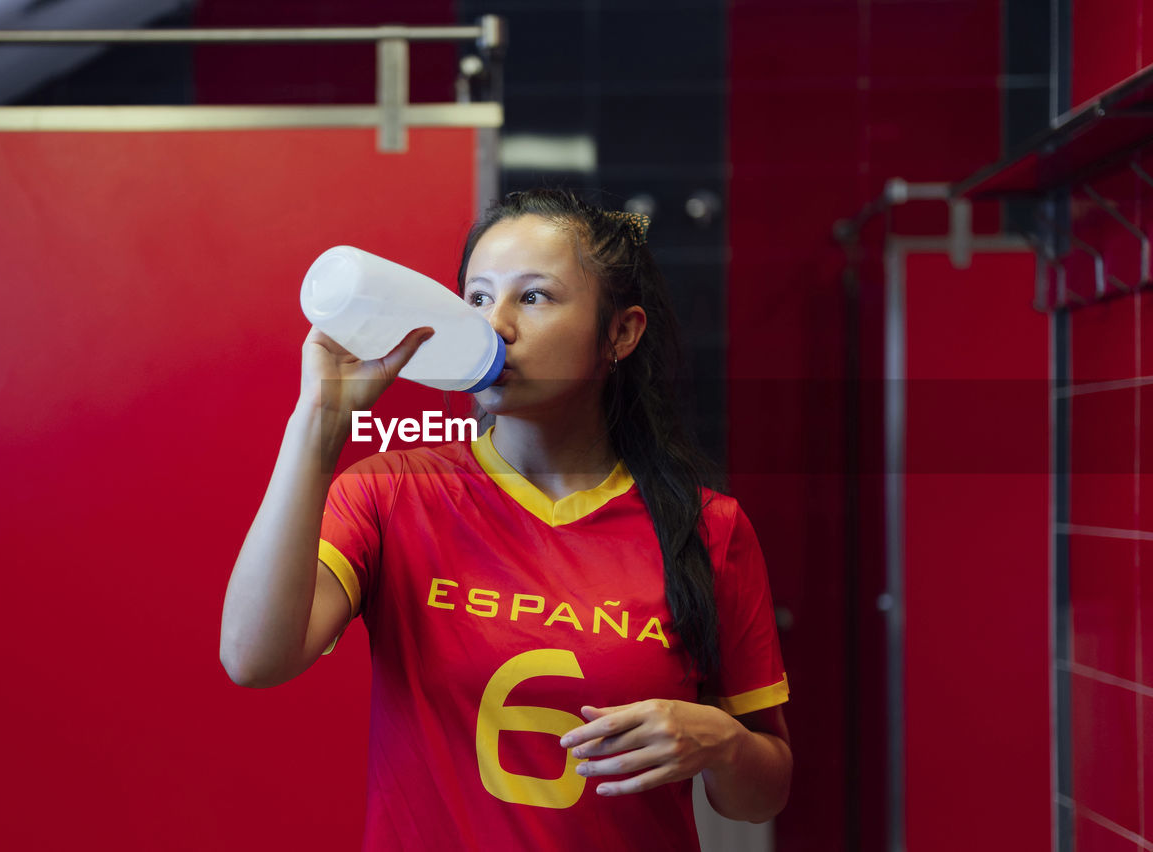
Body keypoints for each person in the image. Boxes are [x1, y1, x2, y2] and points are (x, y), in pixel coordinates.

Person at [220, 189, 792, 850]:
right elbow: (252, 658)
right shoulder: (391, 495)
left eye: (534, 297)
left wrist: (720, 744)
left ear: (621, 333)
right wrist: (318, 420)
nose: (494, 327)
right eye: (478, 298)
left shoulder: (710, 529)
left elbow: (763, 794)